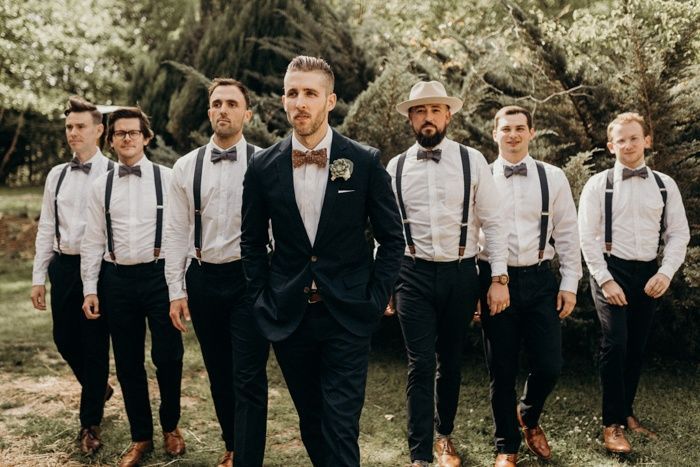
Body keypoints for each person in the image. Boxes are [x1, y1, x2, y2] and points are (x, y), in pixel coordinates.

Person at [241, 55, 405, 467]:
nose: (300, 102)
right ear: (283, 100)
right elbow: (251, 240)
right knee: (312, 421)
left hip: (347, 313)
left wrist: (374, 296)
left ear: (330, 100)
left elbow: (391, 238)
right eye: (293, 93)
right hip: (289, 314)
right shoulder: (262, 166)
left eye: (310, 93)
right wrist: (262, 297)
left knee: (341, 423)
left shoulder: (364, 161)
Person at [386, 81, 509, 467]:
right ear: (410, 118)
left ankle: (444, 437)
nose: (428, 118)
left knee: (450, 361)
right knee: (420, 363)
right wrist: (386, 281)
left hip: (460, 273)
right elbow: (387, 231)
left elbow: (493, 221)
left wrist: (498, 278)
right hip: (412, 274)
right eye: (420, 111)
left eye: (435, 110)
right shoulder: (396, 166)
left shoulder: (472, 160)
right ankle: (420, 453)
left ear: (448, 115)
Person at [165, 78, 269, 467]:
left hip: (249, 280)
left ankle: (247, 459)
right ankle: (232, 443)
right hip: (203, 279)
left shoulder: (266, 161)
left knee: (248, 376)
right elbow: (175, 232)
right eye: (216, 103)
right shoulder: (185, 167)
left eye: (231, 103)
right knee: (219, 373)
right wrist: (176, 290)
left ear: (247, 113)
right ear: (209, 111)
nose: (223, 109)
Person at [578, 112, 689, 454]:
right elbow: (587, 237)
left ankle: (626, 413)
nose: (628, 145)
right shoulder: (598, 185)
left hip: (649, 273)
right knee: (616, 343)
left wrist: (666, 272)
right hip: (610, 269)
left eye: (634, 138)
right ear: (611, 146)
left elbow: (678, 233)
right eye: (620, 140)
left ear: (647, 141)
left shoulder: (664, 185)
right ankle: (611, 424)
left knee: (637, 346)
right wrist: (606, 279)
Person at [81, 107, 186, 467]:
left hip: (159, 277)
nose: (127, 138)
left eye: (134, 132)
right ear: (110, 141)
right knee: (127, 363)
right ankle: (141, 436)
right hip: (117, 281)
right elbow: (93, 240)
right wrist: (89, 288)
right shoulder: (99, 186)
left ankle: (171, 426)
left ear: (146, 137)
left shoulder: (169, 179)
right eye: (120, 133)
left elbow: (179, 234)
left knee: (168, 357)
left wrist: (178, 288)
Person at [478, 106, 582, 467]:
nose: (513, 135)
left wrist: (569, 282)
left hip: (540, 279)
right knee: (501, 369)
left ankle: (528, 415)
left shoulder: (552, 177)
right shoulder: (481, 176)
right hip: (494, 280)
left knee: (550, 363)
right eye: (505, 129)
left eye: (520, 128)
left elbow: (568, 232)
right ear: (495, 134)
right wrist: (487, 283)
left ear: (532, 133)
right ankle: (506, 445)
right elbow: (472, 233)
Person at [30, 96, 113, 455]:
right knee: (64, 338)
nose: (73, 133)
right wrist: (38, 276)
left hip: (100, 268)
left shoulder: (114, 173)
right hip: (63, 267)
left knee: (94, 345)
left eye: (80, 126)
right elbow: (46, 226)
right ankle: (99, 389)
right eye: (69, 127)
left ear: (99, 130)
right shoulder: (56, 175)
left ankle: (89, 423)